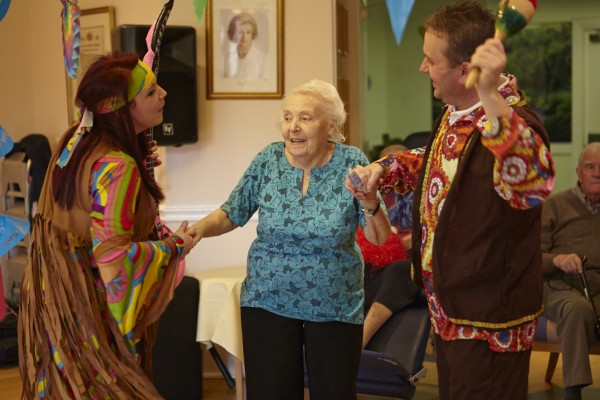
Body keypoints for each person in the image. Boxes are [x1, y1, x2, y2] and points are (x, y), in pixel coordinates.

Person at [346, 1, 555, 399]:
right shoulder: (456, 112)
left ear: (465, 70)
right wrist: (385, 170)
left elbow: (531, 182)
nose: (423, 68)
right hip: (450, 307)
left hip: (489, 316)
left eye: (430, 60)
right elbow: (438, 162)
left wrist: (491, 93)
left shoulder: (517, 123)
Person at [188, 79, 391, 400]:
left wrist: (369, 201)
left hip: (334, 305)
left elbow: (378, 238)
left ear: (331, 124)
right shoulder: (267, 161)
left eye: (305, 118)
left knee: (335, 394)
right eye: (287, 117)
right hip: (267, 301)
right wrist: (196, 231)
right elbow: (231, 212)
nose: (292, 127)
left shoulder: (352, 162)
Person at [18, 50, 194, 399]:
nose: (164, 94)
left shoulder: (74, 142)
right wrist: (175, 246)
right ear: (121, 109)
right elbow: (113, 262)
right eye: (151, 92)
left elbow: (82, 214)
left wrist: (139, 162)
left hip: (52, 305)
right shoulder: (117, 167)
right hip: (88, 316)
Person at [541, 142, 600, 400]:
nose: (597, 173)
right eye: (590, 167)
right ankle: (573, 393)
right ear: (578, 172)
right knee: (577, 308)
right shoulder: (554, 206)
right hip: (559, 287)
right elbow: (531, 258)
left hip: (597, 287)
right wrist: (558, 259)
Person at [360, 143, 418, 348]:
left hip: (414, 259)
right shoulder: (376, 196)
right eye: (387, 168)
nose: (394, 173)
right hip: (383, 257)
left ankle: (361, 340)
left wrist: (417, 238)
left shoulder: (425, 193)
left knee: (400, 271)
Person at [222, 11, 268, 79]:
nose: (244, 37)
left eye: (248, 32)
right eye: (240, 32)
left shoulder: (264, 60)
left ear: (253, 33)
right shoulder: (226, 59)